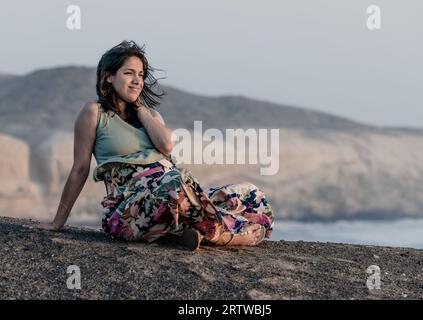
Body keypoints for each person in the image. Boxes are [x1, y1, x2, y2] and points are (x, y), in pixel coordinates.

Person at [35, 41, 274, 250]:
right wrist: (58, 222)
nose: (137, 80)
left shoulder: (151, 117)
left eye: (140, 75)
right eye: (129, 73)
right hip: (129, 210)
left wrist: (140, 109)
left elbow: (167, 146)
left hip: (173, 194)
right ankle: (231, 237)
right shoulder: (93, 113)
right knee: (176, 182)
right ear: (109, 76)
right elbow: (79, 169)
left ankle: (180, 232)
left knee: (250, 193)